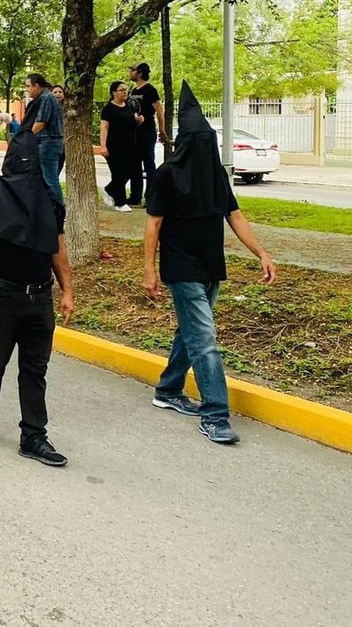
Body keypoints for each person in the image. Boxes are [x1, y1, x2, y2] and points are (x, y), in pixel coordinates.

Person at [143, 82, 277, 445]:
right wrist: (149, 269)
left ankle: (168, 389)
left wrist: (261, 253)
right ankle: (215, 414)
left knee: (191, 332)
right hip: (180, 265)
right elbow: (153, 224)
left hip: (211, 264)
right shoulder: (167, 174)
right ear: (185, 142)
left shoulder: (216, 174)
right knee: (205, 340)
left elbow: (234, 215)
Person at [0, 130, 76, 467]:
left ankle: (34, 435)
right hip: (0, 296)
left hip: (40, 297)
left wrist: (67, 290)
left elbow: (58, 249)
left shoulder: (50, 202)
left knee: (35, 369)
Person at [127, 63, 168, 205]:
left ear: (139, 73)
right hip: (134, 132)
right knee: (134, 164)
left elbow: (159, 110)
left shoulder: (150, 90)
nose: (130, 73)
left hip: (147, 131)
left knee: (149, 163)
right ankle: (135, 196)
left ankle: (150, 196)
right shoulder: (132, 90)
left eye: (132, 70)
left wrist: (162, 130)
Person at [23, 73, 65, 205]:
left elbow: (41, 122)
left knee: (50, 179)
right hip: (48, 143)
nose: (27, 89)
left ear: (36, 86)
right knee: (44, 178)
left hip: (49, 143)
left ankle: (58, 209)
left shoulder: (47, 98)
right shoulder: (43, 98)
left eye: (28, 86)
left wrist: (26, 137)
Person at [99, 81, 142, 211]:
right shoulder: (108, 109)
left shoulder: (128, 106)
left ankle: (109, 189)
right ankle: (120, 202)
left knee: (131, 171)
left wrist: (138, 121)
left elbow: (133, 123)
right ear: (114, 93)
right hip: (114, 145)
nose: (125, 92)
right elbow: (104, 127)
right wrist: (103, 146)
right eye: (121, 90)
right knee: (118, 173)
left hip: (130, 144)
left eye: (126, 89)